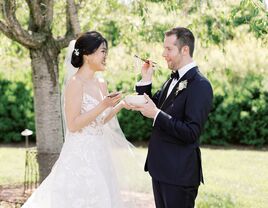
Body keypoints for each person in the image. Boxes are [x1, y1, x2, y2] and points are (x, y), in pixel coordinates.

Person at [22, 31, 148, 208]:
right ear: (88, 55)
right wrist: (103, 105)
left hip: (100, 153)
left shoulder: (101, 82)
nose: (106, 56)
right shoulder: (75, 83)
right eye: (103, 51)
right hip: (80, 155)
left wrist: (120, 105)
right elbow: (73, 125)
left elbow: (101, 119)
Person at [132, 27, 213, 208]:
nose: (163, 54)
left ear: (185, 50)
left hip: (179, 175)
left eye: (169, 49)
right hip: (160, 170)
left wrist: (156, 114)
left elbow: (191, 132)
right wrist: (146, 79)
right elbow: (152, 106)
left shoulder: (200, 85)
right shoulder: (172, 79)